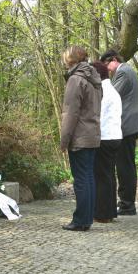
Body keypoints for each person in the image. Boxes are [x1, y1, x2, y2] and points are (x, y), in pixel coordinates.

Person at [60, 46, 102, 231]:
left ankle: (80, 220)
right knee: (89, 178)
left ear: (70, 60)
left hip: (80, 137)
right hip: (92, 134)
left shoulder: (76, 80)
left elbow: (70, 113)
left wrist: (64, 140)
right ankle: (86, 219)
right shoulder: (94, 79)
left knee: (82, 180)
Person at [100, 50, 138, 215]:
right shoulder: (125, 71)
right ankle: (126, 203)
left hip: (127, 126)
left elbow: (110, 96)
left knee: (125, 167)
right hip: (129, 125)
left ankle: (127, 205)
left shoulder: (124, 73)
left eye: (107, 65)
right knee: (126, 165)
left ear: (113, 59)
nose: (108, 70)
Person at [91, 61, 122, 223]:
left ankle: (102, 214)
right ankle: (109, 212)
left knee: (102, 176)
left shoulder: (103, 91)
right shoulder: (113, 90)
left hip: (105, 137)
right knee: (109, 175)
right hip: (116, 136)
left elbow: (98, 116)